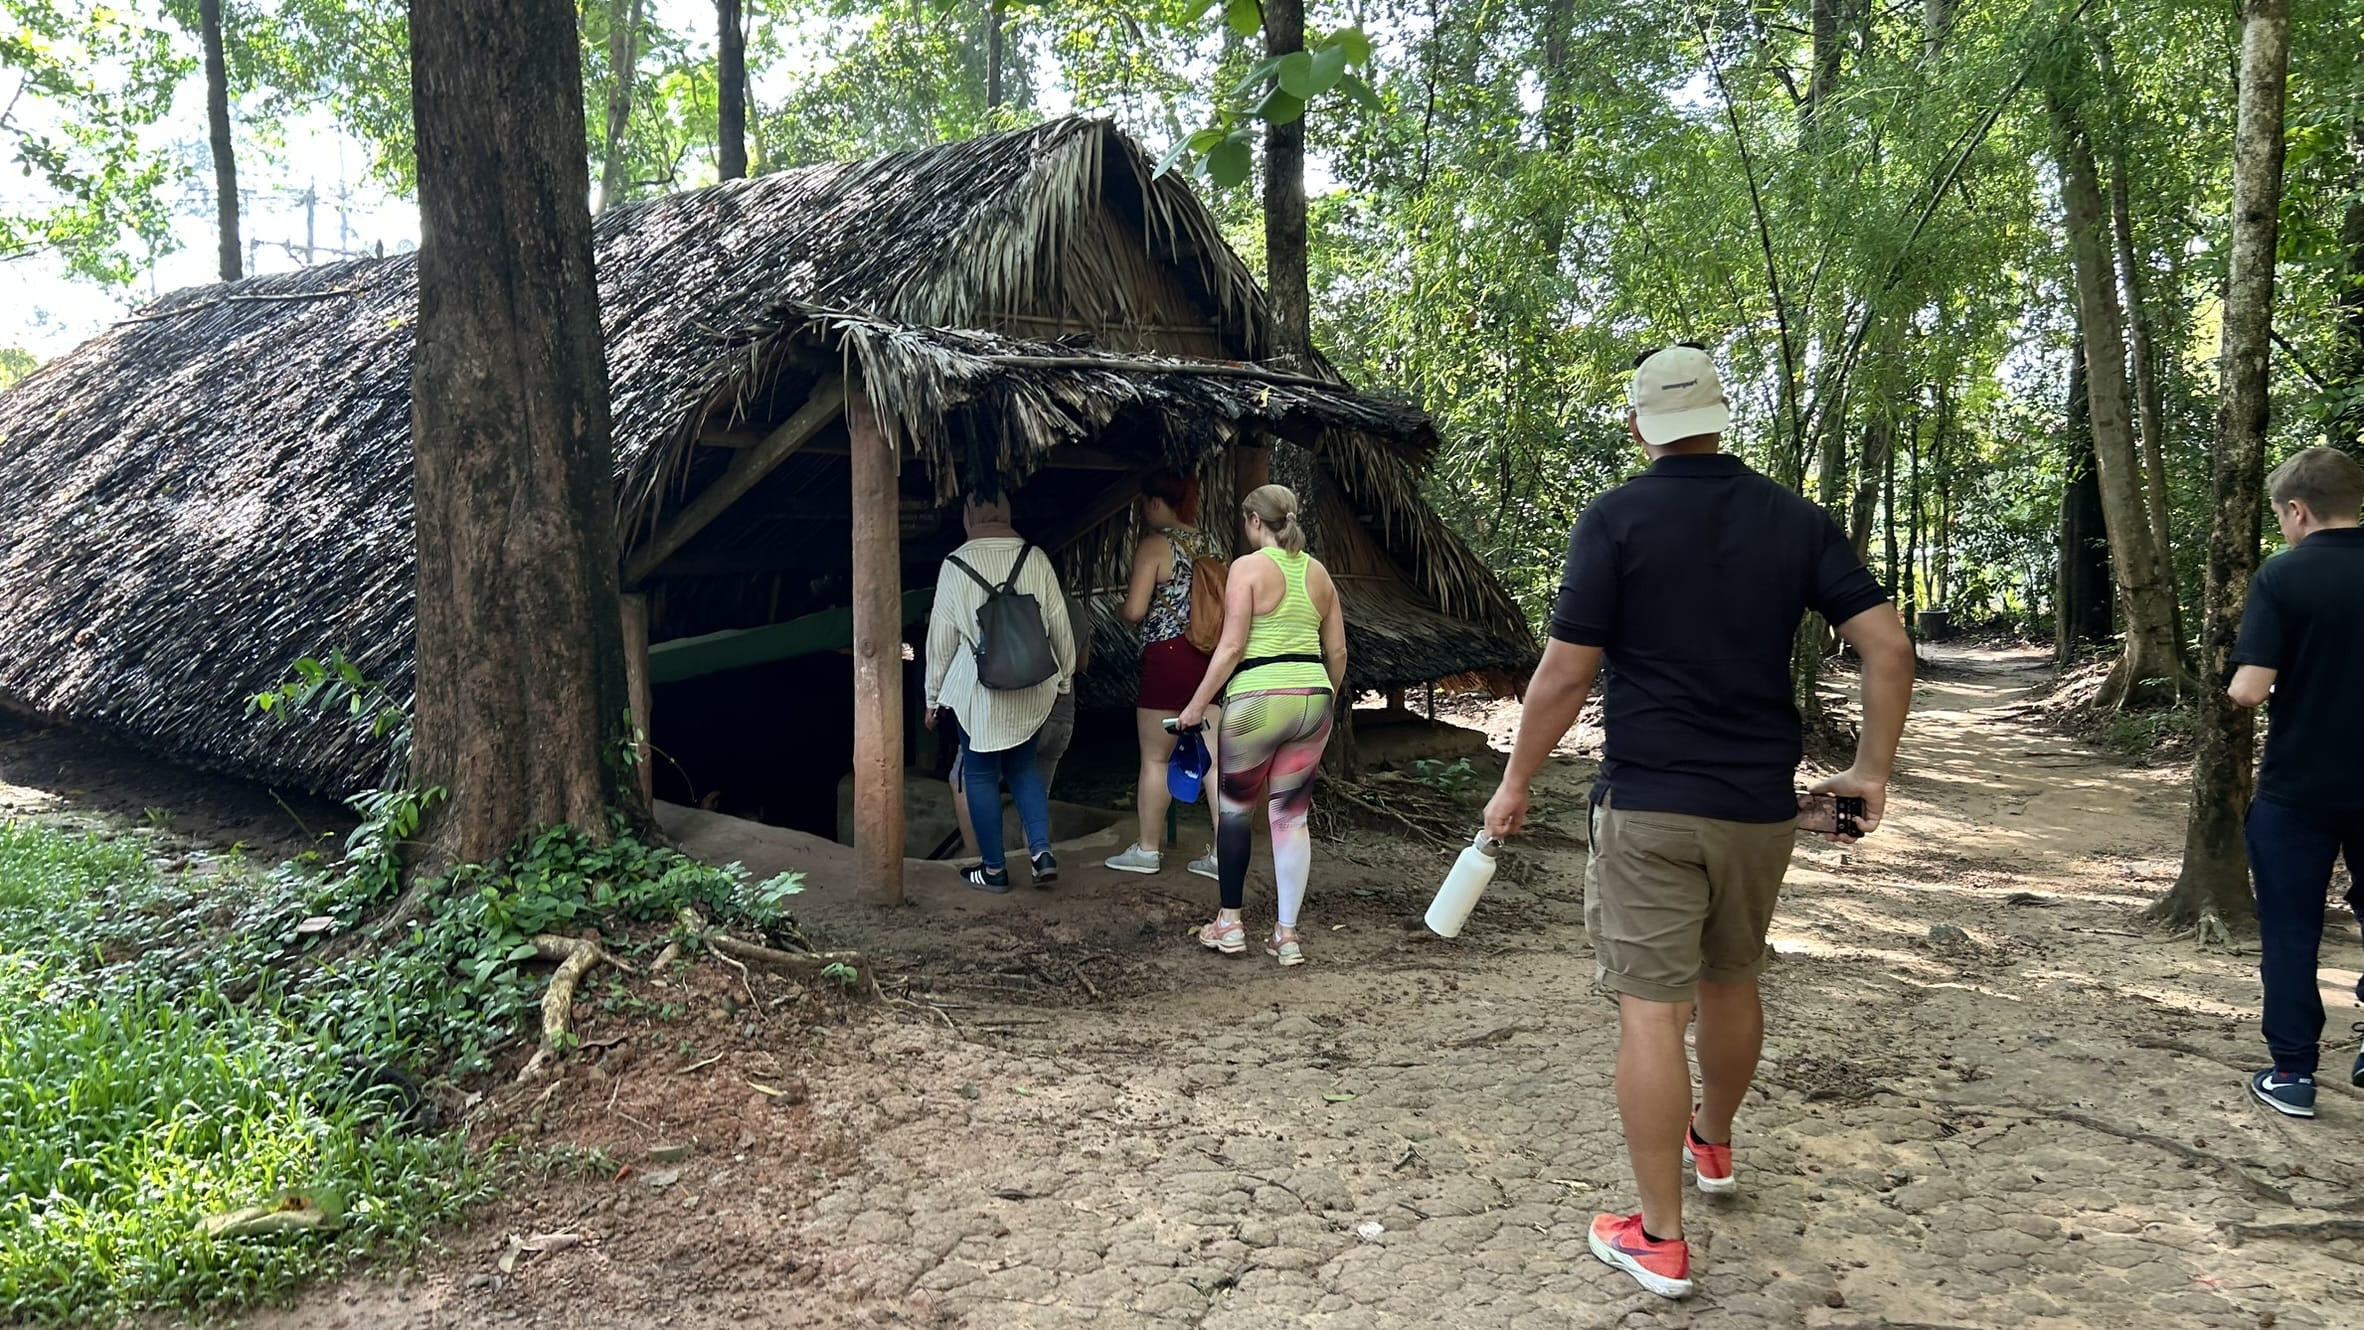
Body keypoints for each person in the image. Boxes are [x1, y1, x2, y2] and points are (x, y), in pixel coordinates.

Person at [1482, 343, 1913, 1299]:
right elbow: (1887, 647)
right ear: (1721, 418)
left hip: (1650, 806)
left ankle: (1659, 1237)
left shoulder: (1615, 520)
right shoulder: (1794, 520)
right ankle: (1711, 1144)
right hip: (1758, 809)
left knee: (1651, 1011)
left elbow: (1564, 674)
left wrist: (1515, 780)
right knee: (1732, 978)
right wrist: (1870, 772)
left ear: (1640, 425)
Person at [2228, 445, 2364, 1119]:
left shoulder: (2283, 576)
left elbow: (2250, 690)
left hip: (2299, 786)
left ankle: (2292, 1074)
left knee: (2290, 930)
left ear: (2298, 510)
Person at [1176, 483, 1347, 966]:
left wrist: (1195, 706)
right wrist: (1325, 697)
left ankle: (1230, 924)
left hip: (1257, 698)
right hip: (1313, 697)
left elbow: (1231, 647)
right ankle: (1286, 935)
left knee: (1235, 811)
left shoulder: (1247, 569)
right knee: (1291, 817)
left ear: (1255, 521)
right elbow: (1337, 651)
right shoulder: (1319, 573)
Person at [925, 493, 1076, 894]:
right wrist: (1064, 680)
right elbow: (1059, 625)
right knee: (1023, 768)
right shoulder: (1035, 558)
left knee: (979, 773)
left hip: (980, 693)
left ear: (969, 517)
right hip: (1032, 684)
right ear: (1007, 514)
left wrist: (932, 698)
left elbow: (941, 639)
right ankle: (1041, 853)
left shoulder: (954, 565)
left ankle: (994, 870)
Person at [1105, 469, 1221, 880]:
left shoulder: (1155, 545)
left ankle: (1148, 850)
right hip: (1209, 658)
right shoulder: (1211, 543)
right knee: (1213, 760)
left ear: (1156, 503)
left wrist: (1122, 610)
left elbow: (1136, 610)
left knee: (1156, 757)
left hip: (1168, 656)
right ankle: (1223, 856)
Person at [948, 588, 1090, 861]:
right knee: (1035, 794)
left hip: (1023, 715)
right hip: (1062, 718)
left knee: (964, 779)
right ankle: (1039, 858)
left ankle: (980, 861)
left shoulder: (1010, 605)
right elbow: (1081, 663)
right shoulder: (1075, 608)